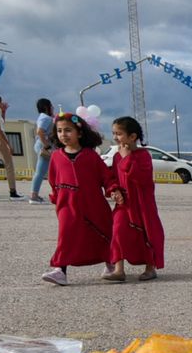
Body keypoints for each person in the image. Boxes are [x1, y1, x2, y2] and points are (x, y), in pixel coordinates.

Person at [41, 113, 114, 286]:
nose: (63, 134)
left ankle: (111, 263)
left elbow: (106, 177)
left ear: (79, 133)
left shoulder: (90, 156)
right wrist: (56, 198)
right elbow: (53, 180)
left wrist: (113, 189)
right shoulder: (57, 157)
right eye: (59, 131)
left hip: (93, 203)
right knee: (66, 235)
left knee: (102, 233)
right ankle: (60, 270)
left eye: (68, 130)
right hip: (67, 204)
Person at [105, 116, 164, 282]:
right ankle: (118, 269)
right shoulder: (117, 156)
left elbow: (140, 178)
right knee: (117, 230)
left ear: (132, 137)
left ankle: (150, 267)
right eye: (114, 133)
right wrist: (114, 190)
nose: (116, 137)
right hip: (124, 203)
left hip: (142, 203)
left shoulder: (143, 155)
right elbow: (114, 178)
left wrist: (126, 157)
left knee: (147, 234)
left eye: (119, 134)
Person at [29, 99, 55, 204]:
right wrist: (47, 145)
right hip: (43, 146)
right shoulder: (46, 118)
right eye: (51, 105)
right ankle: (33, 196)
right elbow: (40, 131)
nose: (53, 108)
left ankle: (34, 195)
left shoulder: (43, 117)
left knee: (42, 171)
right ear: (46, 107)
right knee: (40, 172)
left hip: (40, 144)